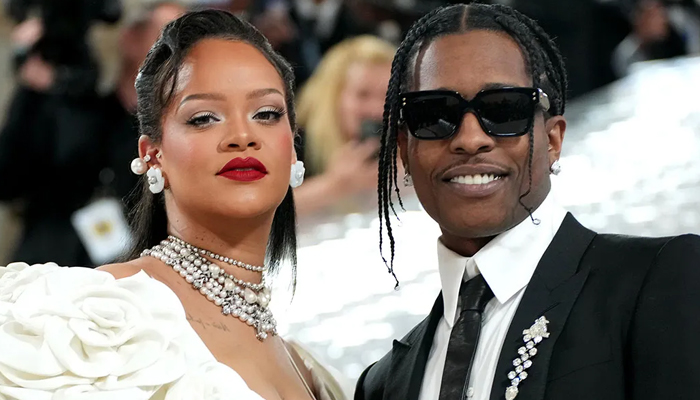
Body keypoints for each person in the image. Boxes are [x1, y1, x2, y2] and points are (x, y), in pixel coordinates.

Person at [355, 3, 700, 400]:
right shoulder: (382, 384)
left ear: (553, 140)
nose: (470, 138)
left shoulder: (656, 284)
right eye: (434, 114)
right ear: (404, 149)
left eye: (504, 109)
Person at [0, 10, 341, 400]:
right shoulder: (90, 320)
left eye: (266, 113)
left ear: (293, 147)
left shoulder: (309, 367)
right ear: (152, 156)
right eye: (204, 118)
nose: (242, 135)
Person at [0, 2, 184, 266]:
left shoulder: (175, 141)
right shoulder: (69, 110)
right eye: (167, 38)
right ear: (130, 38)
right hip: (45, 271)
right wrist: (32, 85)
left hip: (123, 280)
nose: (178, 56)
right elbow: (8, 179)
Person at [293, 35, 394, 216]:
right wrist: (332, 186)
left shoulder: (401, 145)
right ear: (333, 97)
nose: (377, 110)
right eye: (363, 95)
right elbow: (257, 217)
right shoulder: (295, 145)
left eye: (387, 97)